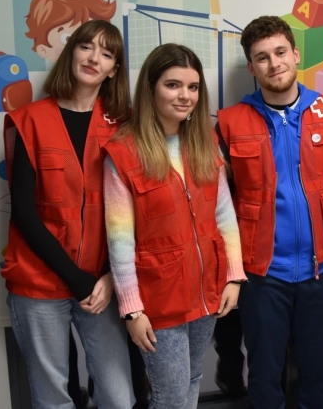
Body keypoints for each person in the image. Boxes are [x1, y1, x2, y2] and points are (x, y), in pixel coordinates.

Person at [103, 43, 246, 409]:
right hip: (158, 300)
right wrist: (132, 310)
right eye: (173, 85)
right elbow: (119, 241)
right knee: (170, 396)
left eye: (193, 87)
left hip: (207, 290)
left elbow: (224, 214)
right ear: (151, 88)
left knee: (192, 379)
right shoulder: (123, 152)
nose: (185, 96)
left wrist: (233, 276)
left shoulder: (205, 142)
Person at [2, 19, 134, 409]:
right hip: (39, 283)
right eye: (86, 47)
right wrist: (75, 278)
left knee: (118, 397)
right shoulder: (29, 120)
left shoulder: (123, 125)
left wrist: (111, 278)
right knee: (52, 398)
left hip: (101, 285)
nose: (94, 58)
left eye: (107, 53)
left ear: (114, 69)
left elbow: (135, 212)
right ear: (71, 51)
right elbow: (24, 214)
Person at [216, 15, 323, 409]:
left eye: (280, 52)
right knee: (265, 375)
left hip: (321, 270)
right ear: (252, 67)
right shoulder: (229, 122)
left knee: (318, 372)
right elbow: (219, 207)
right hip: (262, 275)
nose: (274, 64)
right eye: (262, 58)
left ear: (295, 53)